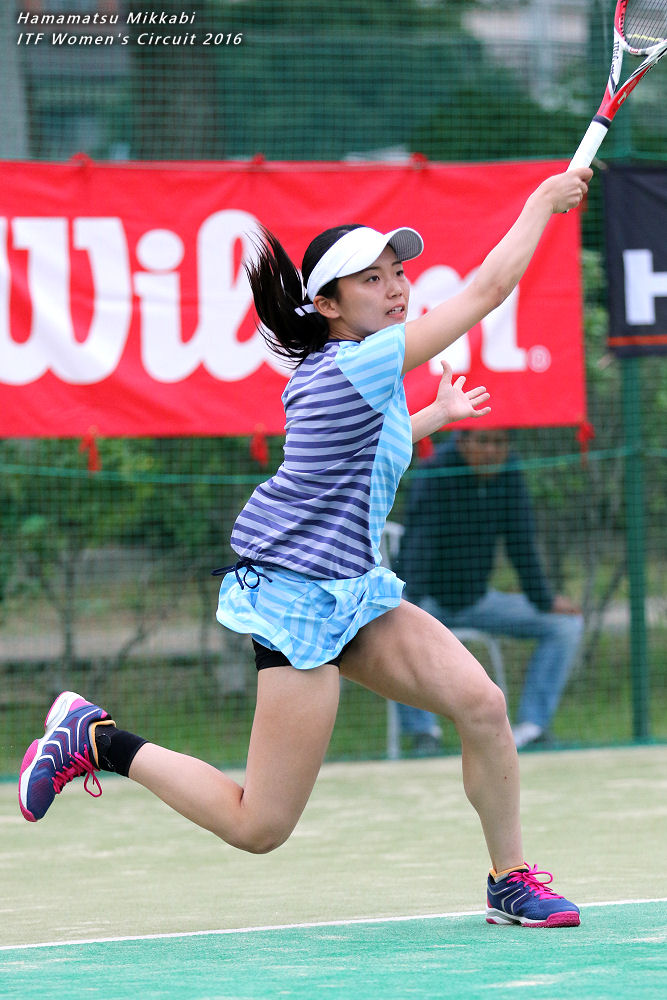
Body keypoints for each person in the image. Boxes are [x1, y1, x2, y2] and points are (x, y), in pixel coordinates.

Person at [19, 166, 592, 928]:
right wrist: (541, 202)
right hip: (294, 597)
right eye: (370, 280)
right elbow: (488, 289)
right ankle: (97, 740)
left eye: (397, 273)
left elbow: (362, 458)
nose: (395, 289)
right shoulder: (359, 363)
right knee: (259, 825)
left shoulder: (355, 372)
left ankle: (508, 879)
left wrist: (433, 416)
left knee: (481, 705)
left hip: (354, 591)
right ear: (327, 305)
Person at [394, 429, 584, 752]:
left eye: (500, 443)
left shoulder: (509, 474)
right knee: (392, 626)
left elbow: (520, 543)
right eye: (484, 442)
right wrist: (409, 603)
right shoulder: (435, 471)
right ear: (463, 441)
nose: (492, 451)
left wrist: (544, 599)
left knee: (565, 625)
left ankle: (532, 728)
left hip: (479, 602)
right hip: (427, 602)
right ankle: (424, 734)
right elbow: (419, 544)